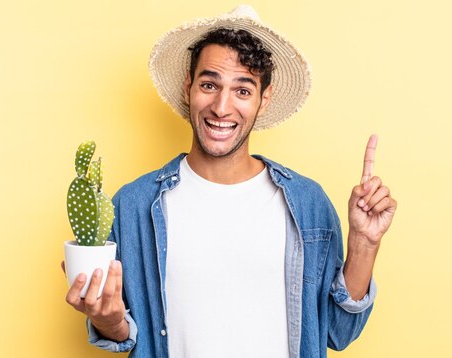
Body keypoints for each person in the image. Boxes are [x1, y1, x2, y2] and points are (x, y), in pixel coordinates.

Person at [63, 5, 397, 358]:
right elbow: (120, 328)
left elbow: (337, 332)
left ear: (263, 100)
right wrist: (109, 321)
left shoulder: (307, 202)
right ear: (189, 87)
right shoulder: (133, 205)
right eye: (209, 84)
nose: (222, 108)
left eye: (242, 90)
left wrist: (364, 242)